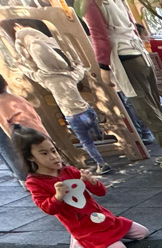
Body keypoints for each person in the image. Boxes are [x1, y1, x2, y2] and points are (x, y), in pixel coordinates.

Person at [79, 0, 162, 168]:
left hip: (126, 59)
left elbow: (99, 36)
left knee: (148, 112)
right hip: (139, 53)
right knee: (154, 109)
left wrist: (104, 66)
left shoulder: (91, 3)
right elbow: (132, 26)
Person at [15, 126, 149, 248]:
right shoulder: (35, 182)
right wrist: (58, 197)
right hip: (82, 227)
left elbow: (101, 192)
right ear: (30, 157)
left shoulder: (69, 171)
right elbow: (48, 209)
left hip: (101, 218)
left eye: (53, 151)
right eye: (44, 153)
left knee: (143, 233)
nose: (53, 157)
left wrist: (91, 182)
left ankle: (97, 238)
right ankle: (78, 241)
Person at [12, 22, 112, 174]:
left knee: (86, 141)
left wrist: (20, 64)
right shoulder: (68, 74)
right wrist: (75, 61)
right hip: (86, 112)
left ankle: (101, 163)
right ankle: (98, 132)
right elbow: (79, 70)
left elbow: (30, 72)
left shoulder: (44, 77)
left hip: (73, 117)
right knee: (93, 124)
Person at [0, 73, 46, 182]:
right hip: (36, 134)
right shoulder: (16, 99)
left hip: (25, 137)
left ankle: (26, 179)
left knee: (8, 149)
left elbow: (8, 128)